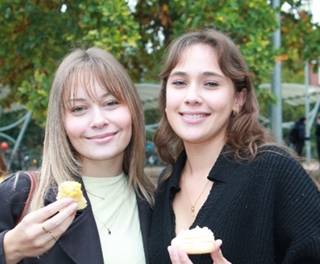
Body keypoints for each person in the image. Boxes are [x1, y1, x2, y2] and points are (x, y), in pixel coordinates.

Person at [148, 28, 320, 264]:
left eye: (210, 83)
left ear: (238, 99)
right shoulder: (165, 185)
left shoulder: (273, 170)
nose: (192, 96)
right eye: (179, 82)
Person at [0, 47, 155, 263]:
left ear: (133, 111)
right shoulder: (19, 195)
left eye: (110, 103)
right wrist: (8, 249)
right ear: (61, 122)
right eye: (79, 109)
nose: (98, 120)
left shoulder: (156, 202)